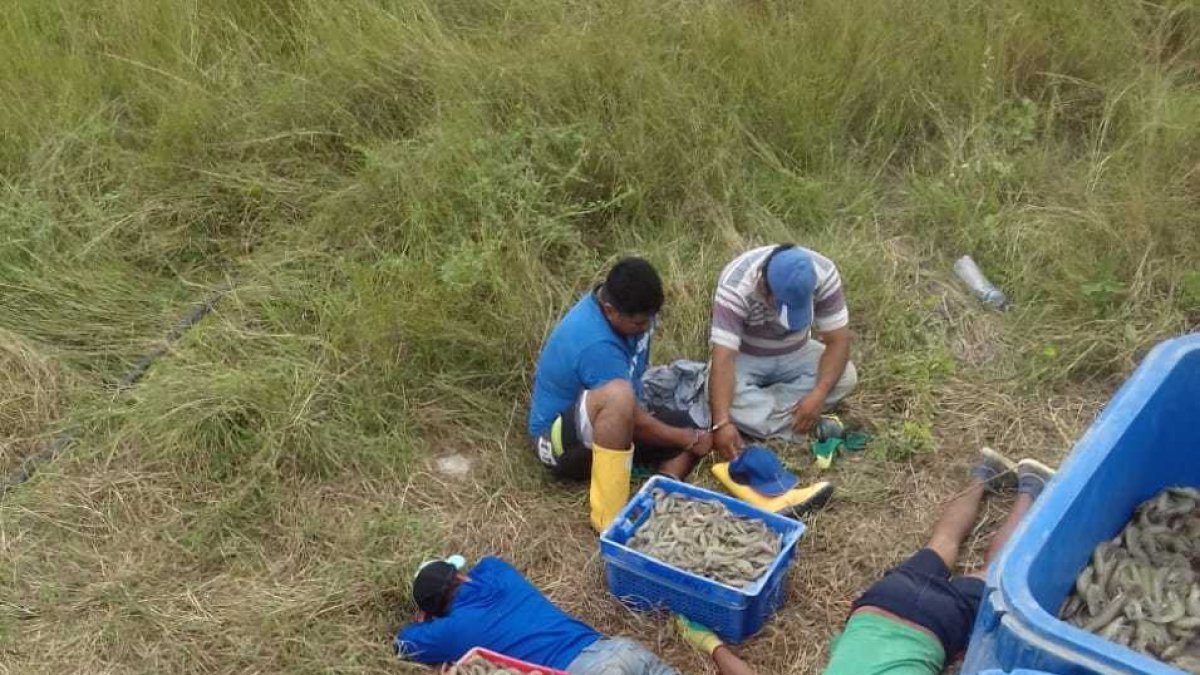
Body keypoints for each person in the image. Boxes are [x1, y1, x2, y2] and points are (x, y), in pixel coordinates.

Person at [821, 449, 1057, 675]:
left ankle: (1033, 485)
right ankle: (984, 470)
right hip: (885, 600)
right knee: (942, 542)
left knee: (991, 572)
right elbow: (840, 647)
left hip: (937, 623)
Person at [529, 258, 713, 532]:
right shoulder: (596, 344)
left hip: (607, 422)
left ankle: (662, 489)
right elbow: (628, 412)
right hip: (557, 443)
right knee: (621, 399)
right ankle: (608, 520)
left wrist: (689, 434)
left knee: (694, 422)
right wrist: (686, 439)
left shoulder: (632, 315)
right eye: (640, 323)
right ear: (609, 310)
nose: (647, 326)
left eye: (651, 318)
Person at [395, 555, 757, 675]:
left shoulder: (453, 630)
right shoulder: (498, 572)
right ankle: (714, 647)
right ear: (460, 574)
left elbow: (404, 643)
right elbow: (481, 564)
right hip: (621, 650)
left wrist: (427, 619)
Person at [707, 244, 858, 459]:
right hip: (746, 356)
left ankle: (764, 417)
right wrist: (721, 424)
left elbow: (838, 341)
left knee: (846, 376)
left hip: (797, 352)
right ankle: (805, 423)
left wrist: (819, 393)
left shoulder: (824, 273)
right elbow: (724, 358)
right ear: (764, 286)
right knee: (714, 393)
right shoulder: (736, 285)